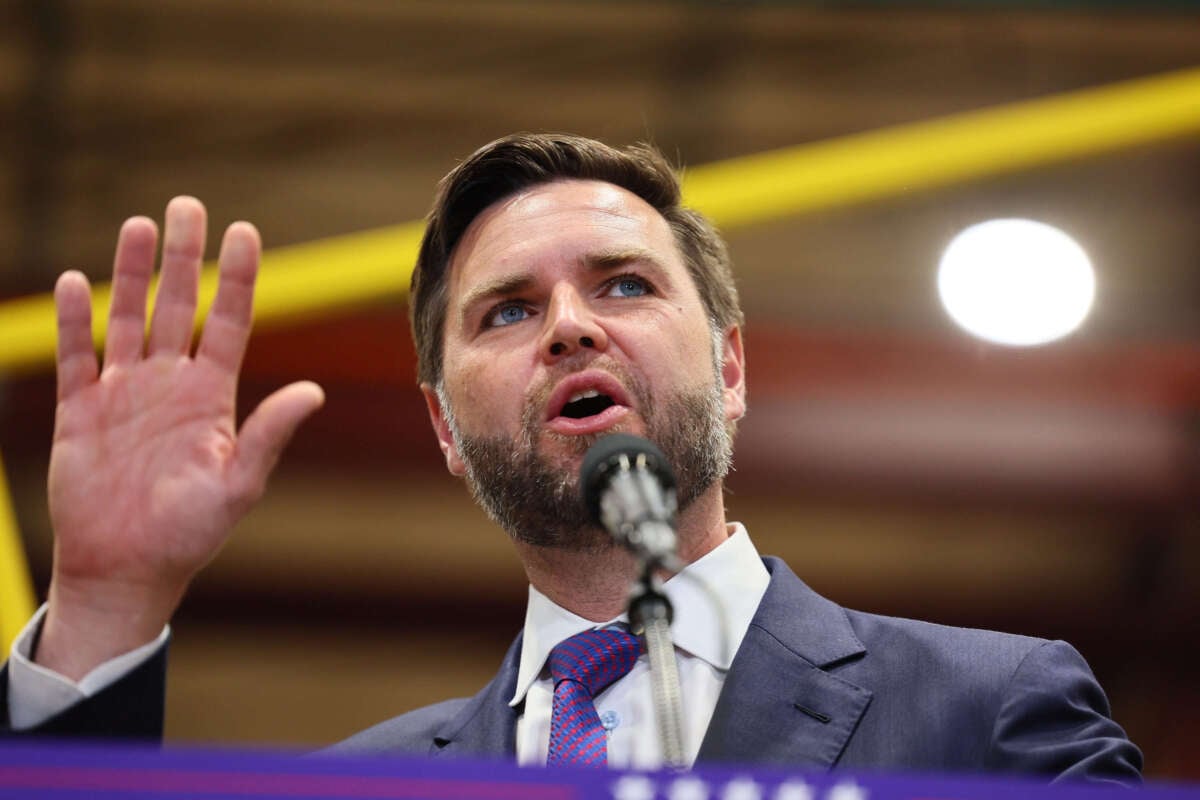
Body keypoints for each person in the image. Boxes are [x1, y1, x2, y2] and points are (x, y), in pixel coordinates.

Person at [1, 134, 1141, 783]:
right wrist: (107, 603)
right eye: (504, 311)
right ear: (446, 429)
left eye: (625, 283)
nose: (568, 325)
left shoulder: (987, 712)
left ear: (731, 369)